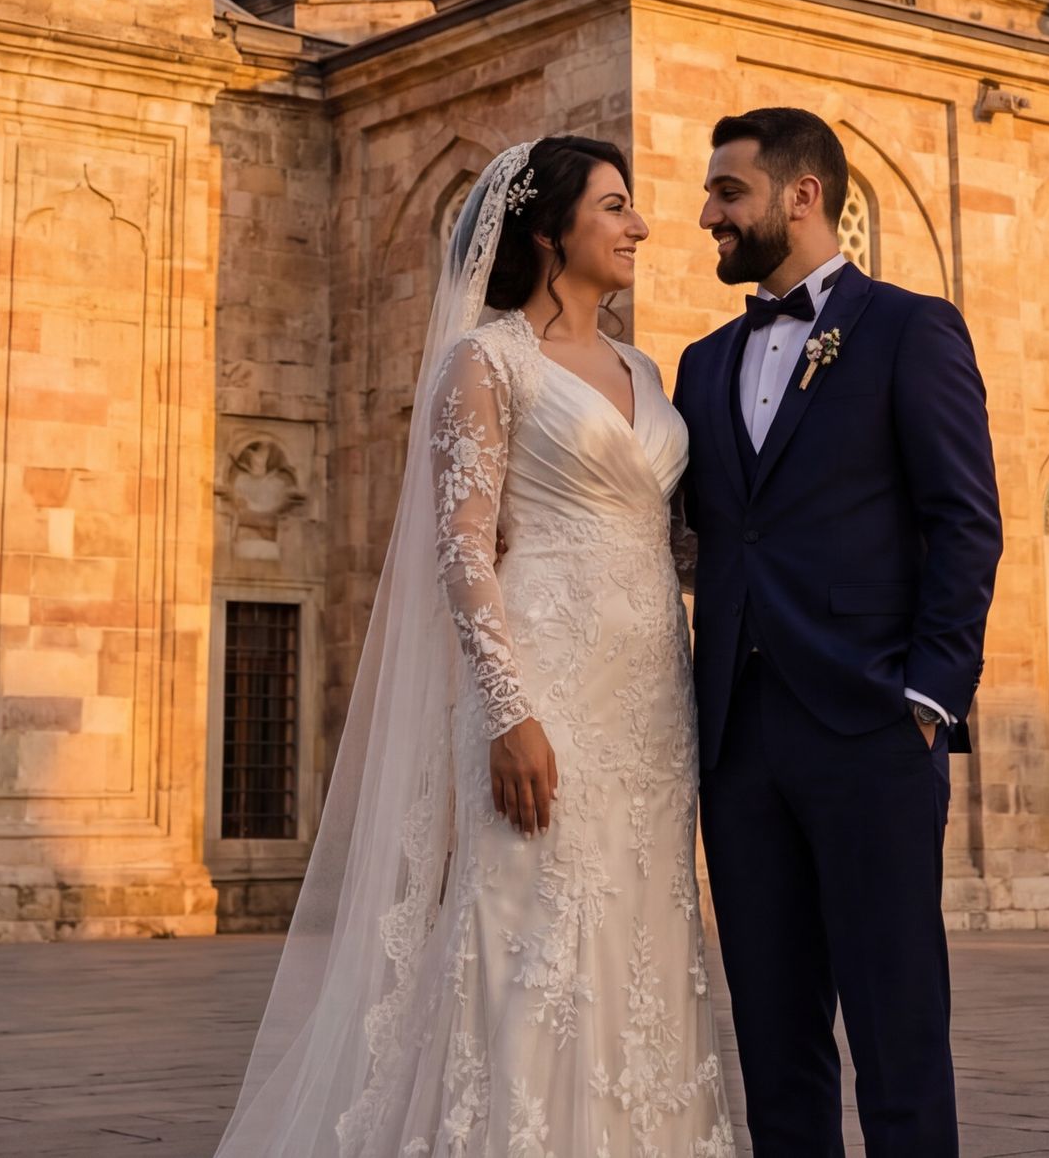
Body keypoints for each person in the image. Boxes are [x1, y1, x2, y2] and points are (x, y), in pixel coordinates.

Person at [213, 136, 734, 1157]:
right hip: (542, 685)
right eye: (617, 206)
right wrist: (506, 710)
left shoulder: (641, 365)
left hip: (648, 699)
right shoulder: (484, 360)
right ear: (551, 232)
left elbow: (667, 531)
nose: (640, 227)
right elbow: (461, 548)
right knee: (527, 929)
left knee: (644, 936)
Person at [675, 107, 1003, 1158]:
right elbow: (704, 540)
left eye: (728, 192)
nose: (707, 214)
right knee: (775, 1041)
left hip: (871, 730)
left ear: (799, 195)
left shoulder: (911, 330)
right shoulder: (700, 363)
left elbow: (965, 519)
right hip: (740, 743)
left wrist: (928, 698)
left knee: (897, 1033)